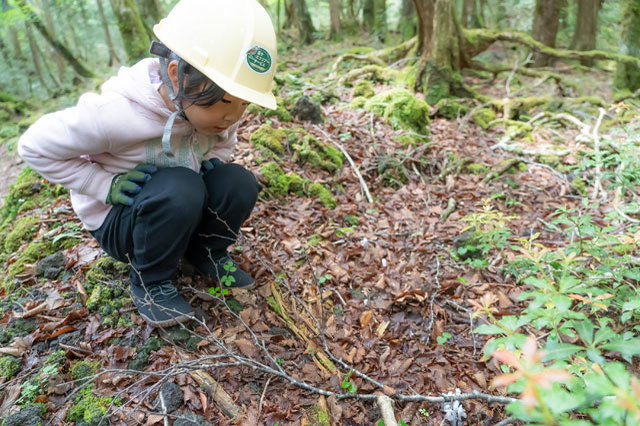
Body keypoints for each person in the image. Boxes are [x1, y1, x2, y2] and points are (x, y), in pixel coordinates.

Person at [17, 0, 278, 327]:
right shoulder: (114, 115)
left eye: (244, 103)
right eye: (225, 101)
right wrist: (103, 185)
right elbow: (33, 145)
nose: (232, 115)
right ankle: (151, 281)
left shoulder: (219, 116)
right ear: (177, 76)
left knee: (238, 181)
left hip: (180, 208)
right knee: (181, 187)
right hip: (124, 221)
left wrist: (213, 161)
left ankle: (206, 253)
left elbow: (224, 144)